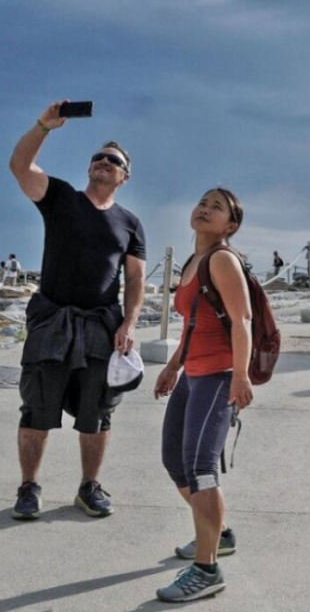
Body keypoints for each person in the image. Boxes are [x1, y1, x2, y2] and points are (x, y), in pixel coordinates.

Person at [8, 102, 147, 522]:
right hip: (52, 319)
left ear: (124, 176)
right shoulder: (60, 197)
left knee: (97, 413)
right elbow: (20, 166)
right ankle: (29, 487)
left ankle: (89, 487)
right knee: (36, 409)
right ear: (90, 167)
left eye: (114, 160)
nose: (104, 162)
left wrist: (129, 323)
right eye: (99, 157)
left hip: (101, 324)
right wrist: (43, 126)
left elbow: (135, 279)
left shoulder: (130, 223)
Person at [151, 189, 252, 602]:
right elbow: (193, 322)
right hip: (192, 373)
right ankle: (218, 534)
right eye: (203, 202)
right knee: (175, 461)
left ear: (231, 225)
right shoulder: (194, 261)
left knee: (201, 468)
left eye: (217, 207)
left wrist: (240, 377)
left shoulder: (223, 260)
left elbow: (242, 321)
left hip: (219, 375)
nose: (205, 209)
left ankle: (207, 570)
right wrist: (174, 366)